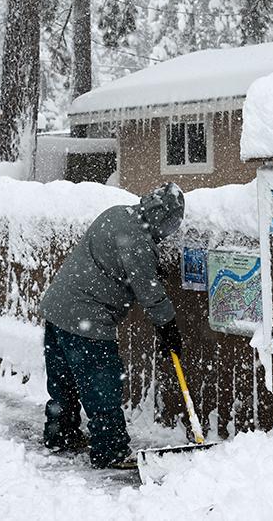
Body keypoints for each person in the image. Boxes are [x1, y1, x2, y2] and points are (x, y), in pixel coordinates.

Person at [39, 182, 186, 469]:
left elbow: (118, 260)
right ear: (165, 221)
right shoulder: (138, 241)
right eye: (171, 227)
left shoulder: (117, 213)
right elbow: (149, 292)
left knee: (63, 384)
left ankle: (61, 434)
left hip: (57, 310)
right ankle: (110, 450)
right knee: (102, 386)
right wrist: (168, 326)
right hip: (87, 320)